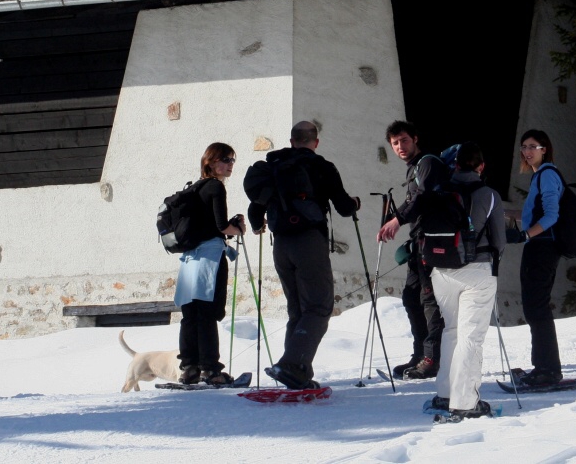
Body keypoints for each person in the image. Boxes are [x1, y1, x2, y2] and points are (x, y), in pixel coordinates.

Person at [248, 121, 360, 390]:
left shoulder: (274, 166)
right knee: (319, 306)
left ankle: (298, 373)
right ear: (315, 142)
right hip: (309, 241)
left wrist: (256, 225)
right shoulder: (322, 166)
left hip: (281, 244)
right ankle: (292, 364)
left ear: (291, 141)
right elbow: (344, 207)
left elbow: (256, 209)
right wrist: (355, 203)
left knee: (297, 309)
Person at [428, 141, 506, 421]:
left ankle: (445, 393)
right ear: (481, 166)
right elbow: (499, 240)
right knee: (470, 337)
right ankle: (465, 402)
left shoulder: (439, 190)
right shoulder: (489, 194)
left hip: (441, 270)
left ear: (456, 164)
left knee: (451, 330)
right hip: (476, 270)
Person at [376, 120, 447, 379]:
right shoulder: (414, 168)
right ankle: (419, 355)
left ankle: (431, 359)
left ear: (415, 138)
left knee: (429, 300)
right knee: (411, 297)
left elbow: (423, 198)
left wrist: (397, 220)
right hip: (419, 242)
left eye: (404, 140)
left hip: (434, 242)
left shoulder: (427, 163)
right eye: (395, 143)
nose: (400, 146)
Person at [173, 142, 245, 385]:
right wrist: (239, 227)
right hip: (210, 257)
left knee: (190, 314)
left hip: (189, 258)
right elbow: (221, 226)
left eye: (232, 160)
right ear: (211, 162)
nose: (230, 165)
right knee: (207, 313)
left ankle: (189, 368)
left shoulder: (194, 189)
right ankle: (211, 370)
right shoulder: (215, 187)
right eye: (225, 160)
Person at [506, 129, 565, 387]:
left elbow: (552, 215)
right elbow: (533, 213)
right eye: (524, 147)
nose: (527, 151)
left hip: (542, 248)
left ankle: (548, 370)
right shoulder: (539, 176)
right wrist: (504, 213)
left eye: (533, 146)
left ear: (544, 148)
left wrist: (525, 236)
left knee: (537, 307)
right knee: (534, 307)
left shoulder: (548, 175)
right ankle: (543, 367)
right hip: (538, 246)